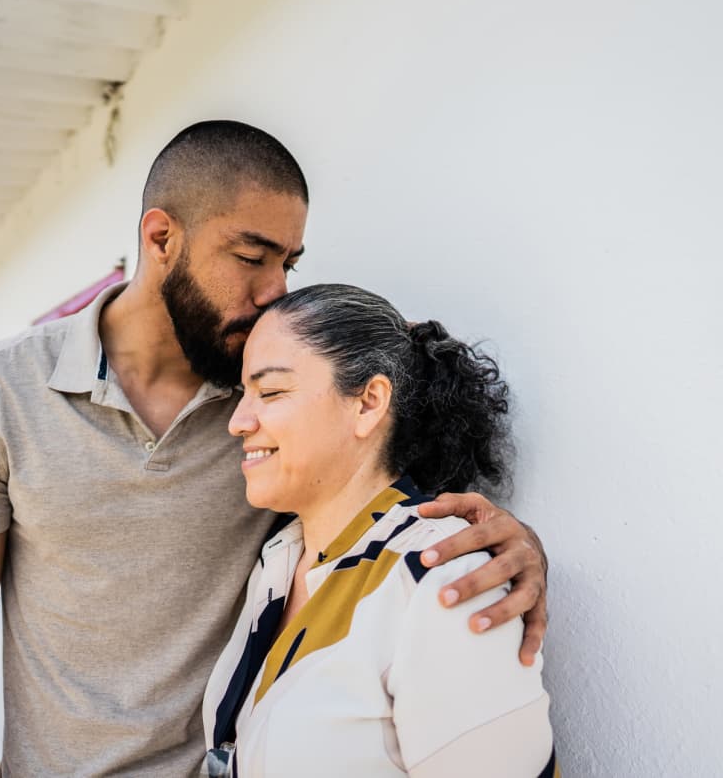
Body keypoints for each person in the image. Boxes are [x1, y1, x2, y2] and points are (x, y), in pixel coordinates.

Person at [0, 121, 549, 777]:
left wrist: (509, 542)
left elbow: (388, 443)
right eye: (251, 256)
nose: (274, 290)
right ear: (161, 238)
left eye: (288, 263)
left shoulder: (282, 401)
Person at [203, 284, 557, 777]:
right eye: (245, 394)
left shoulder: (442, 577)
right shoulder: (279, 560)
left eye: (272, 391)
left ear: (369, 403)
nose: (238, 422)